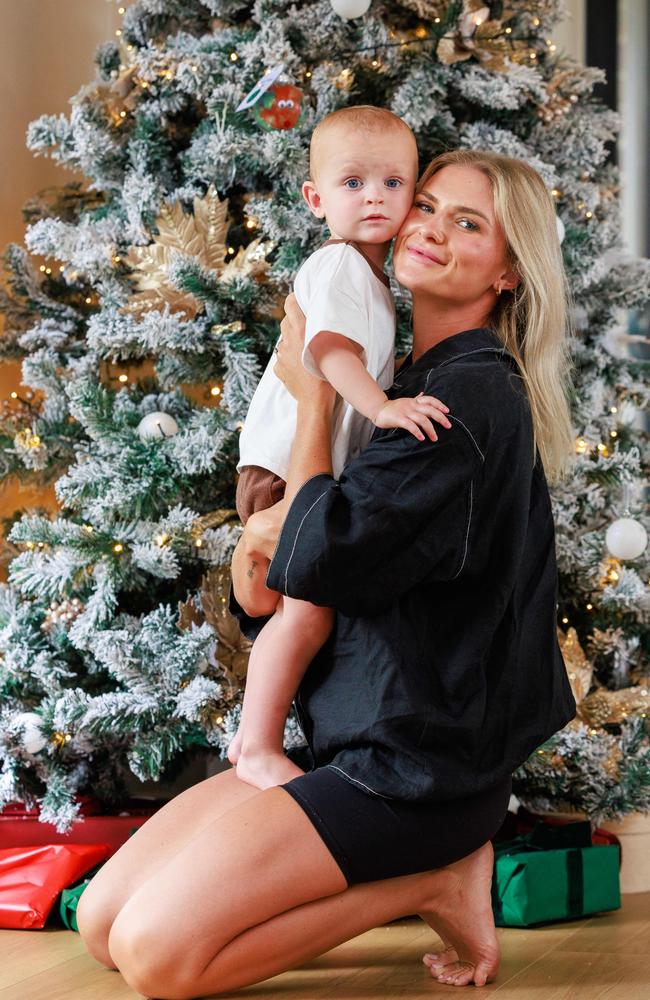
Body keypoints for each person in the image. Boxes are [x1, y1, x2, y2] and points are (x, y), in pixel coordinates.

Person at [76, 149, 577, 997]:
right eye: (427, 206)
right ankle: (419, 870)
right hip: (346, 745)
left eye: (468, 224)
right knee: (99, 925)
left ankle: (431, 877)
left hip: (415, 772)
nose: (427, 228)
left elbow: (326, 550)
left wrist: (314, 398)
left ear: (509, 275)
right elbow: (292, 582)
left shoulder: (464, 397)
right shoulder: (402, 379)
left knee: (161, 961)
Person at [229, 105, 451, 790]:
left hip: (301, 462)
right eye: (353, 183)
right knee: (307, 610)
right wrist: (382, 404)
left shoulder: (372, 280)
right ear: (316, 198)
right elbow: (324, 351)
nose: (376, 198)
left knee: (306, 609)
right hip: (281, 466)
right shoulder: (338, 267)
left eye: (393, 182)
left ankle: (265, 739)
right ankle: (257, 742)